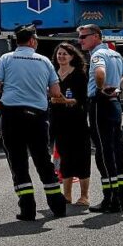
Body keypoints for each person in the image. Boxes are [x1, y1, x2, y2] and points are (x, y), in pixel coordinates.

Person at [0, 25, 67, 221]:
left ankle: (27, 209)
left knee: (18, 162)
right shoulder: (44, 61)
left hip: (12, 115)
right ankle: (58, 206)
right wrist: (38, 89)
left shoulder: (6, 59)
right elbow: (56, 92)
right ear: (32, 41)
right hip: (37, 116)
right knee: (43, 160)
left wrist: (12, 86)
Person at [77, 24, 123, 213]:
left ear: (96, 36)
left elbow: (99, 73)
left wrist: (101, 88)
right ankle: (121, 197)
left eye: (83, 37)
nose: (80, 40)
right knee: (117, 150)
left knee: (103, 152)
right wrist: (118, 88)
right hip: (114, 103)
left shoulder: (98, 55)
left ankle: (110, 199)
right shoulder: (115, 54)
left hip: (100, 104)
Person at [49, 43, 91, 206]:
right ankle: (67, 196)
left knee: (82, 158)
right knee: (65, 158)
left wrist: (66, 101)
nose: (61, 56)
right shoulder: (53, 74)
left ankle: (84, 196)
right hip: (59, 122)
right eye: (59, 54)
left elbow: (82, 99)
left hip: (77, 122)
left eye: (65, 54)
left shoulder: (79, 75)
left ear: (72, 56)